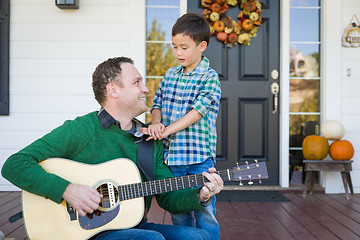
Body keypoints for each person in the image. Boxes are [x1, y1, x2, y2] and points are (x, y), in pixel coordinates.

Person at [1, 57, 224, 240]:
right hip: (82, 232)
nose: (145, 89)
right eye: (137, 82)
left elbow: (167, 198)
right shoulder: (83, 129)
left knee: (198, 237)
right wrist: (67, 190)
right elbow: (15, 165)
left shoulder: (149, 139)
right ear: (113, 90)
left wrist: (202, 193)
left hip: (130, 224)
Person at [142, 13, 221, 240]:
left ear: (202, 46)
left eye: (184, 47)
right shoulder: (170, 75)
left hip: (199, 159)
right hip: (172, 158)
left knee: (205, 212)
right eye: (175, 47)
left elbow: (197, 112)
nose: (178, 53)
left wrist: (167, 130)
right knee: (179, 213)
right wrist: (156, 123)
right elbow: (156, 103)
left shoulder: (209, 77)